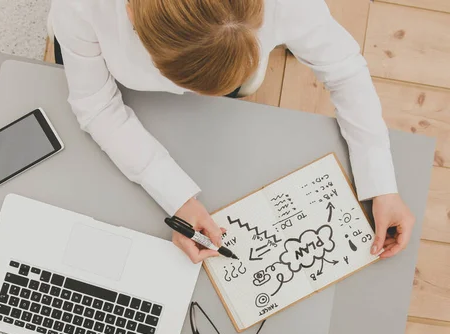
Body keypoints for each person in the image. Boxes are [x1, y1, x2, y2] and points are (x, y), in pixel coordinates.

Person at [49, 0, 415, 263]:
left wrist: (380, 181)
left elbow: (346, 70)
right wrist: (177, 197)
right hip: (100, 58)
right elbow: (96, 104)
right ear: (130, 11)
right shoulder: (80, 7)